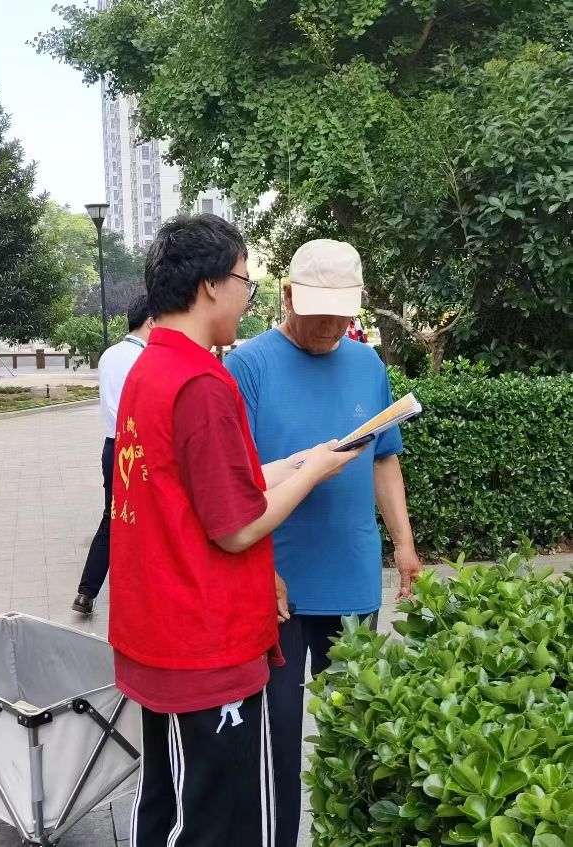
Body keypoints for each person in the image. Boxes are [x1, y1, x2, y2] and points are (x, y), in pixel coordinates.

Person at [108, 215, 366, 847]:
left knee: (171, 805)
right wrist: (316, 473)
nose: (248, 297)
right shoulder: (202, 382)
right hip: (203, 643)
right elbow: (239, 526)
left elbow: (212, 482)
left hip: (161, 633)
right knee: (217, 821)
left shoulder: (151, 368)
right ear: (211, 286)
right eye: (245, 282)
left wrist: (303, 459)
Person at [225, 238, 422, 847]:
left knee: (354, 735)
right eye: (319, 313)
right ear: (287, 296)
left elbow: (385, 460)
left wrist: (404, 545)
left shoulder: (367, 364)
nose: (331, 326)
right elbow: (234, 483)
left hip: (353, 577)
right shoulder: (248, 366)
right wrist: (257, 568)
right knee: (278, 737)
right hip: (277, 587)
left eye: (342, 313)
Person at [71, 293, 152, 615]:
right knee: (147, 519)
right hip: (141, 447)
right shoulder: (147, 358)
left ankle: (86, 592)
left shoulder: (109, 355)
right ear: (151, 322)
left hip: (112, 447)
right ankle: (141, 593)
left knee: (114, 516)